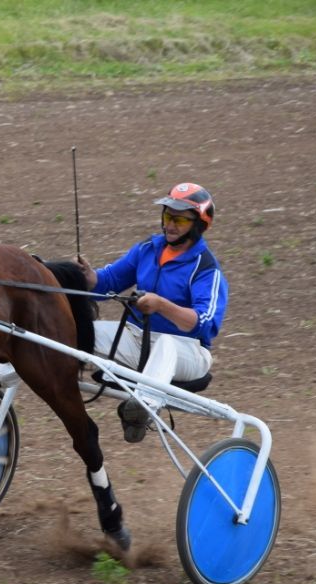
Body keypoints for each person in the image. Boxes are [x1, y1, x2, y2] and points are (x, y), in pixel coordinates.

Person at [75, 182, 228, 443]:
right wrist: (89, 278)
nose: (170, 224)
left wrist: (161, 305)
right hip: (138, 339)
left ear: (199, 225)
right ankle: (3, 375)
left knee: (166, 343)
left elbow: (204, 323)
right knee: (76, 330)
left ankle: (142, 408)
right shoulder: (148, 249)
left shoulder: (206, 269)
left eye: (179, 219)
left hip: (188, 351)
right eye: (167, 216)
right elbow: (109, 281)